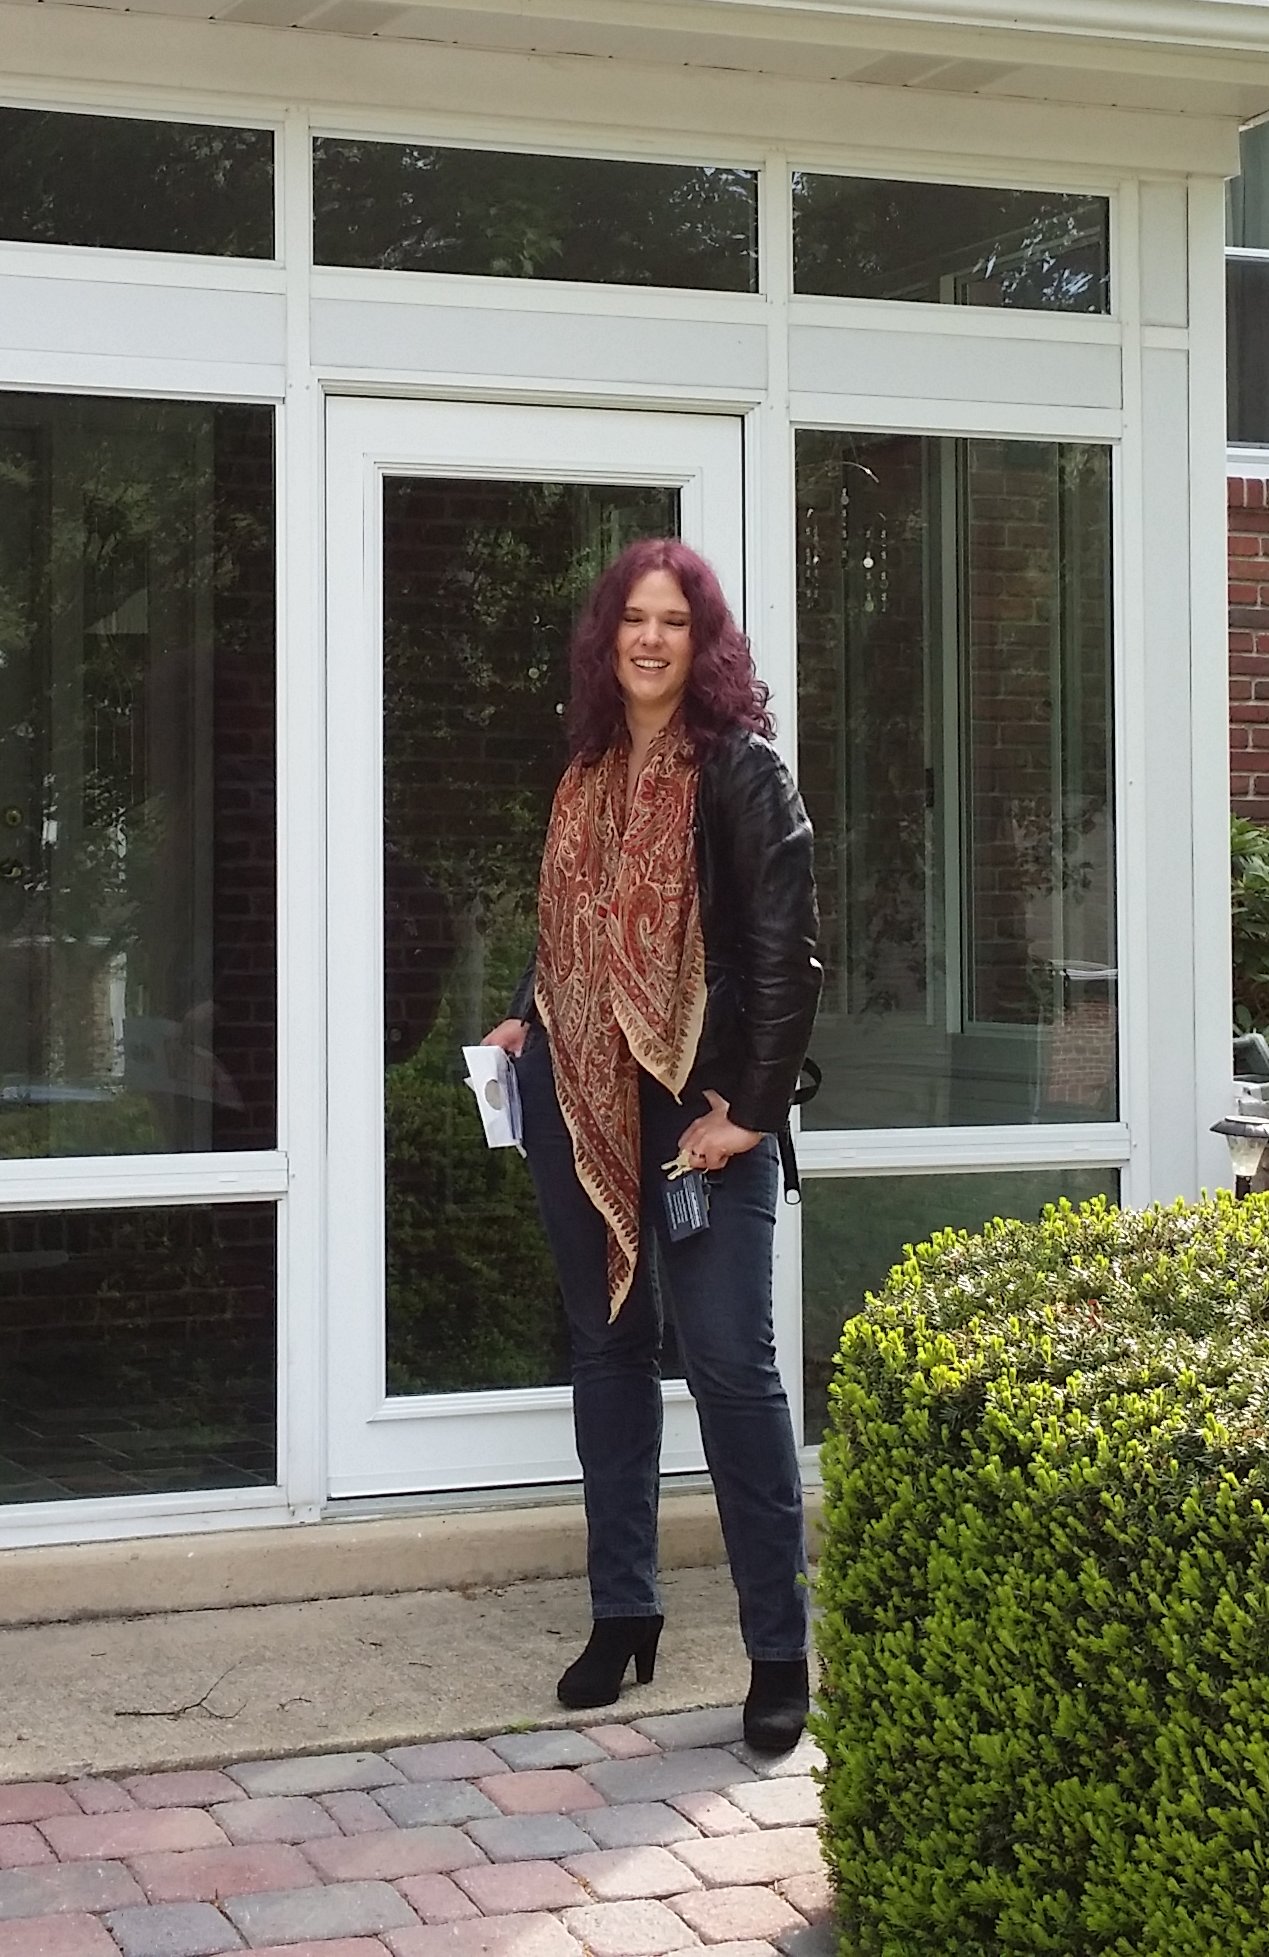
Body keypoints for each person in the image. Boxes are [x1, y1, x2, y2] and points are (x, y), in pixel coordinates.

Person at [482, 536, 819, 1756]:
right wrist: (526, 1013)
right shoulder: (586, 770)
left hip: (702, 1107)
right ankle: (623, 1612)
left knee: (730, 1365)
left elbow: (787, 958)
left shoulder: (743, 772)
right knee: (608, 1350)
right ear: (607, 635)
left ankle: (777, 1650)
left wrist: (751, 1114)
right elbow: (573, 931)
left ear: (704, 640)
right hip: (580, 1096)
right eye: (635, 617)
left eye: (676, 620)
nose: (652, 638)